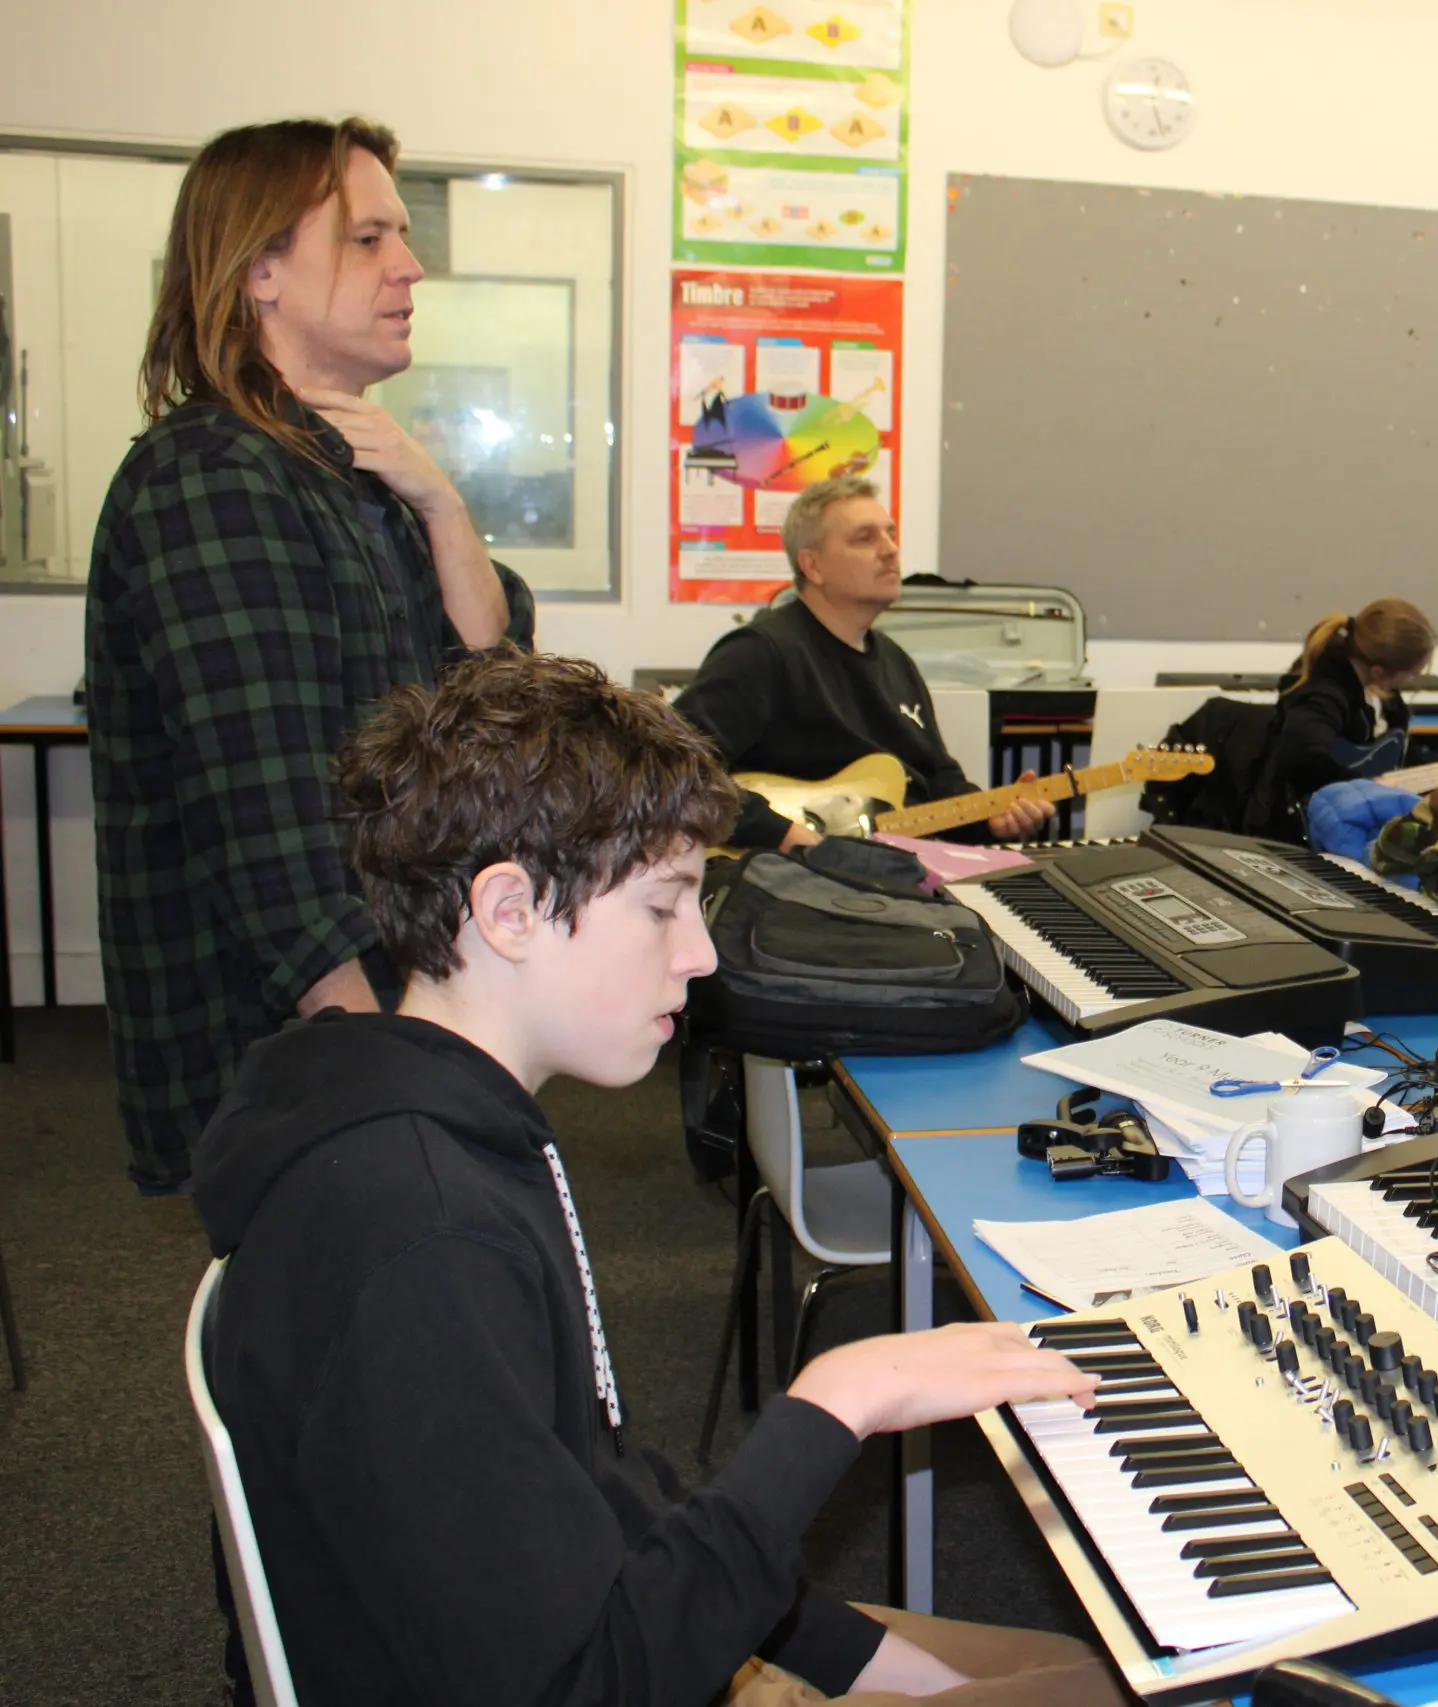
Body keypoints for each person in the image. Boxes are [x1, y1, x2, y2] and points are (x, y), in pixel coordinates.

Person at [193, 652, 1116, 1705]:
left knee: (1083, 1677)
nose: (702, 956)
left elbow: (601, 1496)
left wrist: (857, 1663)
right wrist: (838, 1400)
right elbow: (588, 1681)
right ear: (509, 912)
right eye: (663, 906)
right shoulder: (426, 1234)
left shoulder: (440, 1124)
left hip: (608, 1628)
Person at [86, 116, 534, 1195]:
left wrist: (441, 503)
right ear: (261, 274)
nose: (410, 265)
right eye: (370, 238)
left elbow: (496, 686)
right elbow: (269, 818)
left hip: (375, 1012)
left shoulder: (353, 477)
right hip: (293, 1048)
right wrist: (386, 1072)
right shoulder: (215, 480)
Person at [674, 475, 1050, 850]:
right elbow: (676, 768)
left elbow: (936, 784)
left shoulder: (896, 661)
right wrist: (782, 834)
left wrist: (990, 821)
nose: (890, 550)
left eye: (890, 534)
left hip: (896, 869)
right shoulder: (759, 653)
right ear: (813, 566)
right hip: (792, 884)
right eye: (865, 538)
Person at [1258, 598, 1438, 836]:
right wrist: (1366, 786)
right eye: (1412, 674)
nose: (1413, 679)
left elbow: (1398, 750)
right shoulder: (1323, 695)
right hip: (1309, 827)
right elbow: (1303, 759)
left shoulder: (1379, 689)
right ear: (1379, 671)